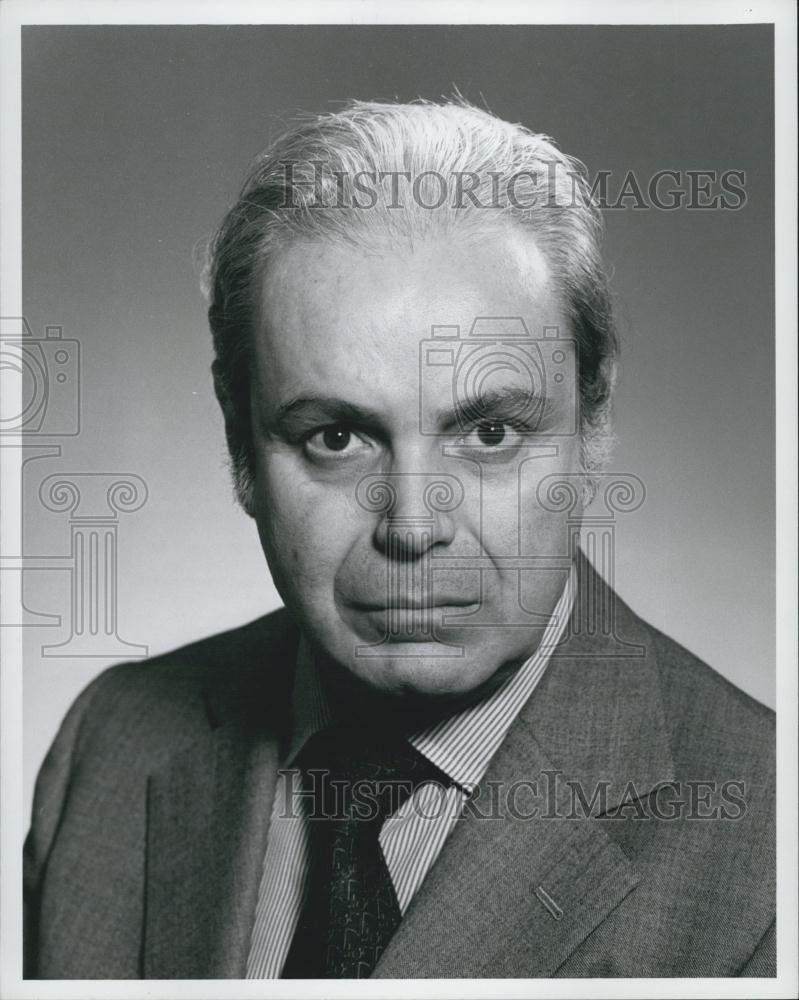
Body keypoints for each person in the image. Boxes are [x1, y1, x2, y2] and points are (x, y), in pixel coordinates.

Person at [24, 99, 774, 979]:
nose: (413, 526)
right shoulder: (111, 745)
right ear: (237, 441)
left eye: (487, 434)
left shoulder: (768, 853)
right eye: (336, 438)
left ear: (593, 419)